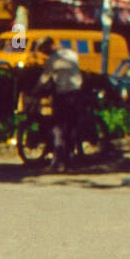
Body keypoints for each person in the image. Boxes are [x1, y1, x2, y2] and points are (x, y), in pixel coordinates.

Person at [32, 36, 83, 172]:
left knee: (58, 128)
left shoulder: (52, 60)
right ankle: (71, 160)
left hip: (63, 95)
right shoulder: (72, 54)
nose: (44, 53)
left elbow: (44, 78)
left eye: (43, 50)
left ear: (49, 46)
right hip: (76, 93)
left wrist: (35, 91)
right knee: (71, 127)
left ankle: (59, 162)